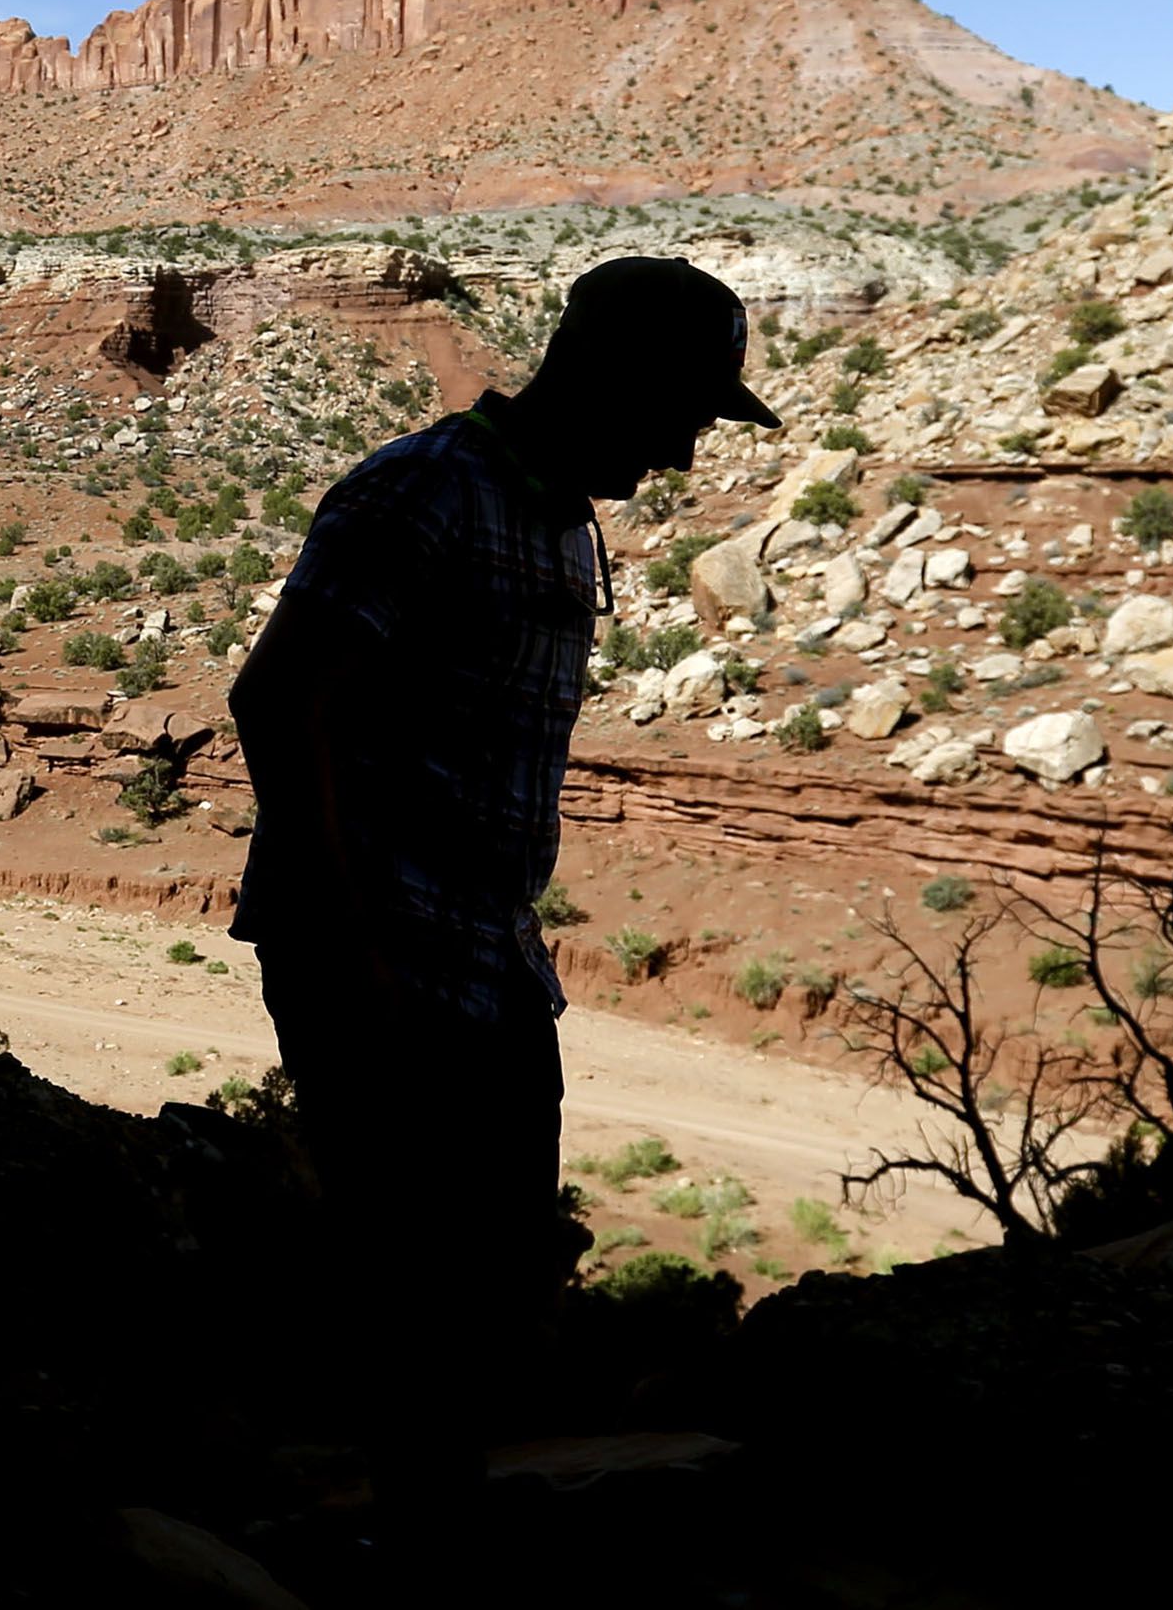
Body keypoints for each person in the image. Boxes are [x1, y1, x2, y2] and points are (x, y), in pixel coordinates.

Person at [227, 255, 779, 1539]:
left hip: (484, 947)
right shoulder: (427, 488)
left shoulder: (550, 511)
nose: (689, 449)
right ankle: (416, 1545)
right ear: (612, 376)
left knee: (492, 1276)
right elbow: (276, 696)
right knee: (417, 1278)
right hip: (376, 943)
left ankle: (436, 1519)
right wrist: (352, 940)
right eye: (684, 412)